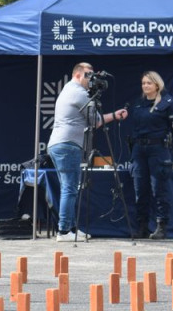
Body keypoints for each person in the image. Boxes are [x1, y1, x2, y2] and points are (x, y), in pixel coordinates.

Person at [47, 62, 128, 242]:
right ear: (77, 75)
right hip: (67, 144)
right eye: (88, 75)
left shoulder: (70, 89)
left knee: (69, 188)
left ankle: (71, 228)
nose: (92, 79)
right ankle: (64, 231)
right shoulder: (79, 93)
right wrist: (115, 115)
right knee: (70, 188)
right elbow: (96, 122)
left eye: (93, 75)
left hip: (61, 143)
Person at [126, 70, 173, 240]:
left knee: (159, 189)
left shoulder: (168, 102)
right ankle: (142, 227)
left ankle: (161, 227)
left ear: (157, 85)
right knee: (140, 189)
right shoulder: (137, 104)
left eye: (149, 83)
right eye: (143, 83)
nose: (145, 86)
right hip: (139, 150)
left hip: (158, 149)